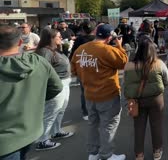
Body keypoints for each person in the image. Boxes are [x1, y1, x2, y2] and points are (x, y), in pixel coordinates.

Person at [0, 24, 63, 160]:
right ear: (21, 42)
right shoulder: (39, 62)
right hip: (30, 131)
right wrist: (35, 98)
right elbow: (56, 87)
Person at [71, 24, 128, 160]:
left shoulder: (81, 49)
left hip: (89, 94)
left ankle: (93, 153)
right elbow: (124, 62)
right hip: (107, 94)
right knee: (108, 125)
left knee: (93, 123)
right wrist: (119, 45)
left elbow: (73, 69)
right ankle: (106, 154)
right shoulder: (107, 50)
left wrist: (86, 77)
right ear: (109, 37)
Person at [124, 36, 168, 160]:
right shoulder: (159, 63)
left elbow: (126, 84)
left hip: (137, 100)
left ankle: (139, 154)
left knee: (138, 127)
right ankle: (157, 151)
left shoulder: (128, 65)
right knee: (156, 125)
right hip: (156, 99)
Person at [35, 28, 74, 150]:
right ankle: (42, 140)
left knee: (60, 109)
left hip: (64, 83)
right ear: (50, 38)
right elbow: (42, 71)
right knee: (51, 112)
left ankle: (56, 131)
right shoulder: (45, 51)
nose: (61, 38)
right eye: (58, 36)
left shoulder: (55, 49)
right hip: (56, 85)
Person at [69, 21, 97, 121]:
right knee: (97, 89)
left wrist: (74, 70)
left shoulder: (79, 40)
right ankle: (94, 110)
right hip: (96, 68)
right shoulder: (97, 40)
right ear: (94, 30)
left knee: (84, 91)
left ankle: (86, 112)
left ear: (83, 30)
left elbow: (72, 56)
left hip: (83, 69)